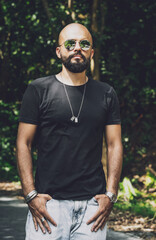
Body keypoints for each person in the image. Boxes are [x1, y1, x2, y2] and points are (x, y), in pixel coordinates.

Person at [16, 23, 123, 240]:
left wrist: (111, 195)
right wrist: (30, 194)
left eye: (84, 44)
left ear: (91, 52)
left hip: (93, 208)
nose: (77, 48)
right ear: (59, 51)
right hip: (48, 206)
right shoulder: (38, 89)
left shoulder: (106, 94)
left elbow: (115, 145)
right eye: (70, 43)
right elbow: (23, 143)